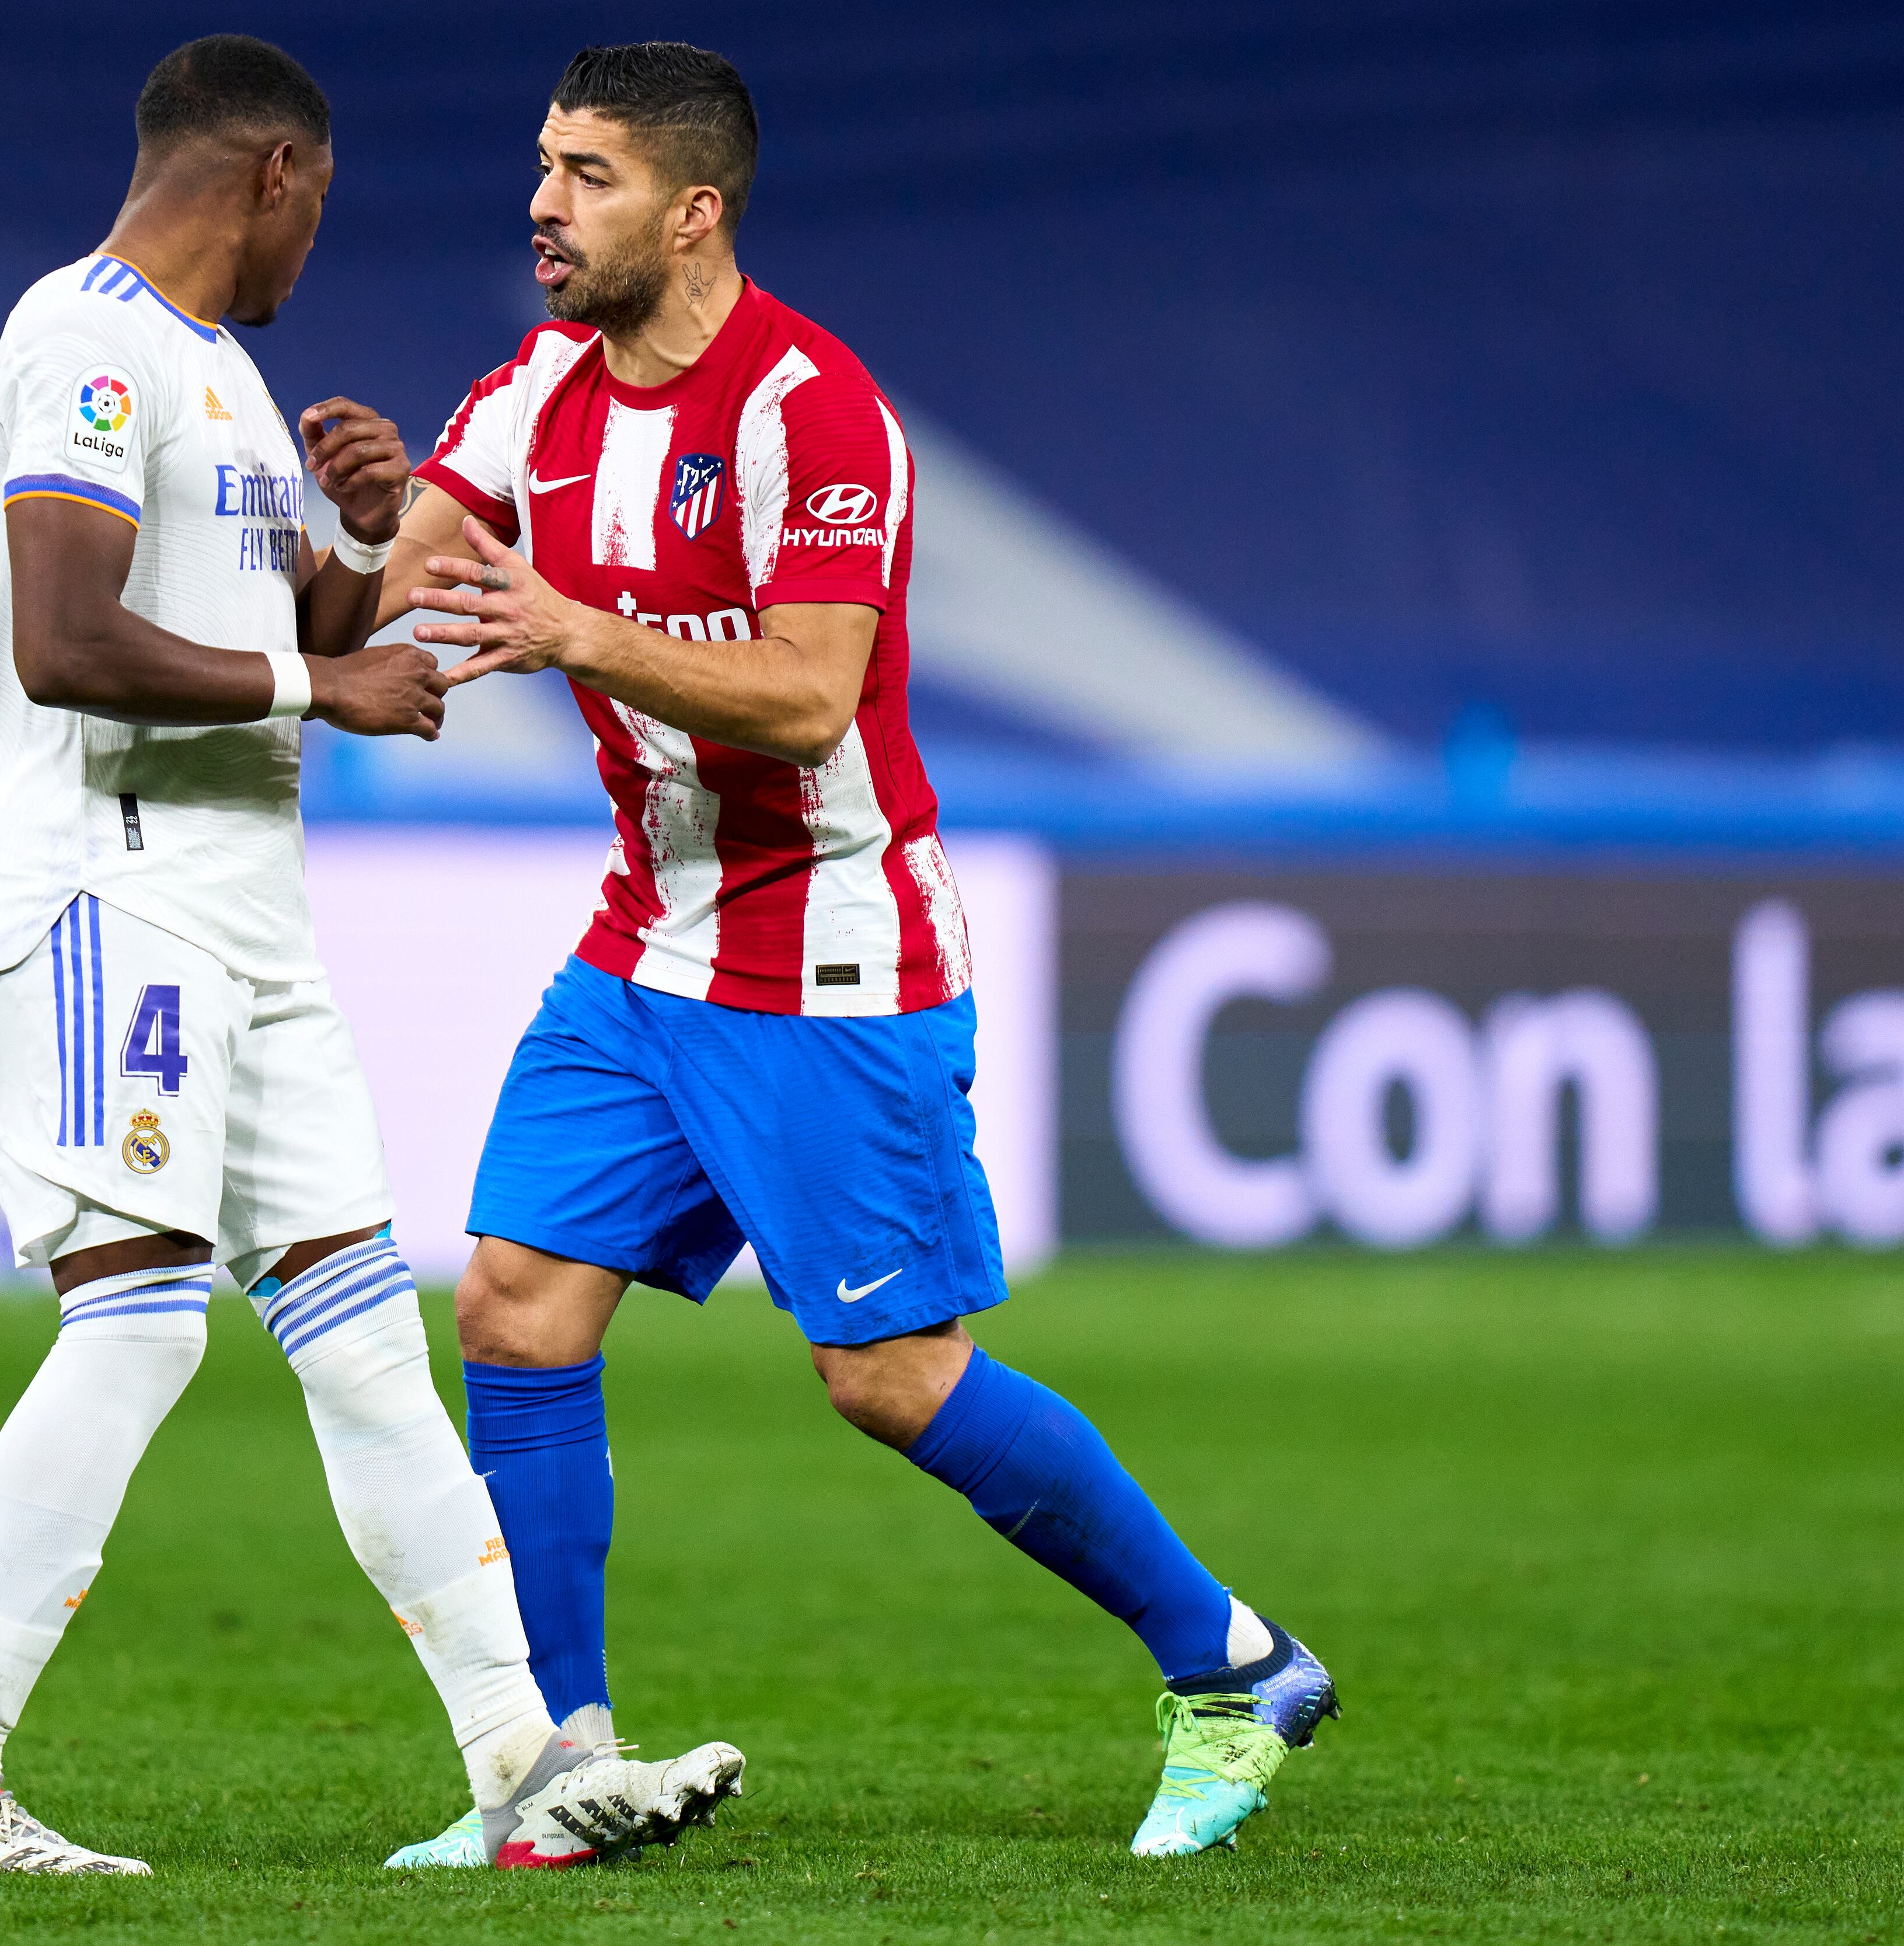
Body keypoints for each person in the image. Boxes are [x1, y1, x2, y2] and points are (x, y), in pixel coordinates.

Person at [369, 42, 1338, 1867]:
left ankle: (1233, 1657)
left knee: (886, 1372)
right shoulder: (536, 388)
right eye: (544, 167)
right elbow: (385, 587)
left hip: (828, 954)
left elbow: (814, 696)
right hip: (643, 936)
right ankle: (559, 1761)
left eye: (586, 173)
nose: (543, 203)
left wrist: (576, 622)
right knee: (509, 1297)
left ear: (695, 208)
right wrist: (343, 517)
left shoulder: (815, 413)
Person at [0, 35, 742, 1878]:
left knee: (362, 1340)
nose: (309, 251)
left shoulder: (226, 381)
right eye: (315, 210)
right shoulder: (89, 339)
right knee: (138, 1320)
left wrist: (358, 535)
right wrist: (322, 676)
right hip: (115, 896)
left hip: (248, 915)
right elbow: (67, 637)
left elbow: (307, 615)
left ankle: (525, 1757)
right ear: (273, 171)